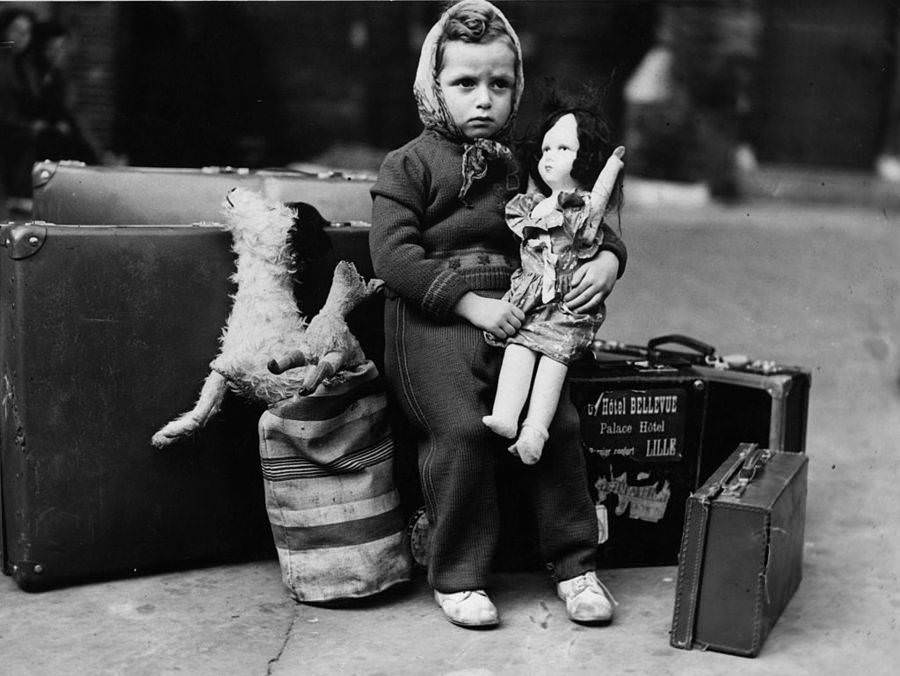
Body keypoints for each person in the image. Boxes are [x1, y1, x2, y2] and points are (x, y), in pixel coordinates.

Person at [369, 0, 626, 629]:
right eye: (464, 84)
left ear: (516, 91)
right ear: (434, 86)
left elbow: (582, 216)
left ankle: (575, 565)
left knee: (558, 426)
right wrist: (473, 305)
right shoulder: (409, 164)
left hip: (522, 317)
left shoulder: (525, 163)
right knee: (462, 428)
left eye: (499, 84)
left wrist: (608, 263)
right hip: (434, 322)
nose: (483, 99)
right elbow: (392, 256)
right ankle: (457, 574)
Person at [483, 102, 625, 465]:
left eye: (563, 148)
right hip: (530, 297)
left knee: (553, 360)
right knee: (518, 346)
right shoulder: (532, 205)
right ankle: (506, 414)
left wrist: (611, 258)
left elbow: (604, 216)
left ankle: (534, 432)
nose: (550, 157)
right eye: (546, 149)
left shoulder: (582, 208)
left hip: (564, 303)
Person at [0, 7, 39, 209]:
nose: (23, 37)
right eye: (17, 30)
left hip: (16, 123)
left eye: (27, 31)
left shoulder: (25, 65)